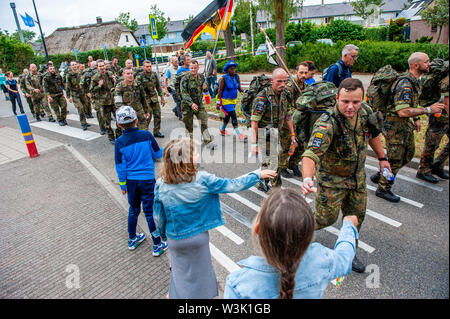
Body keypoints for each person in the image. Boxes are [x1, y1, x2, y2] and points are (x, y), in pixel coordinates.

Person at [153, 138, 277, 299]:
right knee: (203, 271)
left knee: (178, 271)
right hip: (198, 238)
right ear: (188, 159)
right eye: (195, 152)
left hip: (175, 239)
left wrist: (164, 236)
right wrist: (257, 175)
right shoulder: (203, 179)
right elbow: (233, 185)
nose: (198, 154)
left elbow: (158, 217)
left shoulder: (161, 184)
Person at [301, 78, 391, 273]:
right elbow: (310, 154)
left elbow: (373, 134)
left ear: (363, 99)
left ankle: (348, 253)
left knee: (355, 218)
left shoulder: (365, 112)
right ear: (337, 98)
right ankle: (295, 232)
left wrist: (383, 158)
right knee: (325, 218)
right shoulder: (327, 123)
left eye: (356, 102)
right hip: (332, 182)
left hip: (357, 179)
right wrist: (307, 178)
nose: (351, 107)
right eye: (345, 102)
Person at [224, 188, 358, 299]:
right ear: (309, 232)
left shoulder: (239, 285)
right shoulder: (323, 260)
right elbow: (345, 257)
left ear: (258, 229)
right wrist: (348, 226)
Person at [370, 52, 445, 202]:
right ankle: (383, 188)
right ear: (416, 65)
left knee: (409, 153)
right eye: (427, 62)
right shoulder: (405, 84)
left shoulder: (415, 81)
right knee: (395, 159)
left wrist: (416, 118)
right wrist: (428, 110)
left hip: (404, 125)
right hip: (394, 126)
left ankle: (381, 173)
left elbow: (410, 104)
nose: (429, 64)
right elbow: (402, 111)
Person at [114, 105, 168, 255]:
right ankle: (157, 245)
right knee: (150, 212)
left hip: (131, 182)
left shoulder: (119, 142)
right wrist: (168, 148)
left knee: (134, 210)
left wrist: (123, 184)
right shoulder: (146, 135)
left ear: (119, 125)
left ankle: (132, 238)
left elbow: (120, 167)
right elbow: (157, 155)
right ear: (136, 120)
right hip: (147, 180)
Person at [250, 68, 296, 190]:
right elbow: (254, 122)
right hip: (263, 133)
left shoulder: (286, 95)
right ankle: (277, 188)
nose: (283, 84)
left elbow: (288, 116)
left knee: (267, 160)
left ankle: (261, 180)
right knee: (274, 160)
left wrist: (292, 134)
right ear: (272, 80)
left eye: (285, 81)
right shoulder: (262, 97)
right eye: (279, 81)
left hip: (276, 132)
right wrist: (253, 144)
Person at [417, 62, 449, 182]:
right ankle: (423, 170)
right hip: (439, 114)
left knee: (433, 143)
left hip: (444, 113)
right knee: (432, 143)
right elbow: (446, 103)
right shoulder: (447, 80)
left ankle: (437, 165)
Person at [280, 62, 308, 178]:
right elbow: (287, 108)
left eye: (305, 72)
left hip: (300, 121)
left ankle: (293, 164)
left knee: (301, 145)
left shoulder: (305, 87)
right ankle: (282, 167)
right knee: (286, 146)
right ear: (296, 73)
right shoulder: (289, 87)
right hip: (288, 121)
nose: (303, 75)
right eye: (301, 72)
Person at [180, 60, 216, 149]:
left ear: (198, 68)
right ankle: (189, 143)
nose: (193, 69)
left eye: (195, 68)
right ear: (189, 68)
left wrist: (205, 89)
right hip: (187, 106)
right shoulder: (185, 79)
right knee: (189, 126)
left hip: (199, 104)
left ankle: (208, 141)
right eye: (191, 68)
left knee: (204, 121)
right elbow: (184, 93)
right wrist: (191, 103)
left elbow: (205, 91)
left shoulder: (201, 77)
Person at [114, 68, 149, 139]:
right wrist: (130, 111)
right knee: (129, 136)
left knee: (145, 133)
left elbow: (143, 98)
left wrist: (146, 111)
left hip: (139, 113)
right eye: (128, 74)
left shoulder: (138, 84)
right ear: (123, 75)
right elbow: (118, 104)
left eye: (131, 73)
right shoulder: (119, 87)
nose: (130, 75)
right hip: (127, 116)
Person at [216, 60, 247, 141]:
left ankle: (222, 130)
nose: (233, 70)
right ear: (227, 70)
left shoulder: (236, 76)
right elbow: (220, 91)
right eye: (231, 69)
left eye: (234, 69)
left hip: (233, 101)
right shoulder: (224, 79)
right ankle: (239, 134)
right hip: (225, 101)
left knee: (228, 116)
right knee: (233, 116)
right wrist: (218, 103)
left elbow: (239, 87)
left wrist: (245, 92)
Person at [136, 60, 166, 137]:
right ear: (143, 67)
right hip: (146, 100)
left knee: (158, 115)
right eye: (147, 66)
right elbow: (137, 90)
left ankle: (156, 131)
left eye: (150, 66)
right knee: (148, 116)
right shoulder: (140, 76)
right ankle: (144, 133)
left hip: (154, 98)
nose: (149, 68)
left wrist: (162, 98)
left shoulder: (154, 74)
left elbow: (158, 87)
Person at [91, 60, 117, 143]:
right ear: (97, 68)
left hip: (113, 101)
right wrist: (99, 85)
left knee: (119, 119)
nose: (102, 68)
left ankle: (119, 135)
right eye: (100, 66)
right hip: (104, 103)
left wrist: (114, 80)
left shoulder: (109, 73)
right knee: (107, 122)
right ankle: (111, 137)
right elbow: (91, 90)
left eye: (103, 65)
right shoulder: (95, 77)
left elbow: (115, 85)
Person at [66, 61, 89, 130]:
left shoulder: (81, 73)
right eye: (73, 65)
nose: (74, 66)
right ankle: (83, 123)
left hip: (82, 93)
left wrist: (87, 92)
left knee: (85, 107)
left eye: (75, 64)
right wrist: (68, 96)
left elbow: (85, 83)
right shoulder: (69, 75)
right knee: (80, 108)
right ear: (71, 67)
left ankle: (84, 121)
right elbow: (68, 86)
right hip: (75, 94)